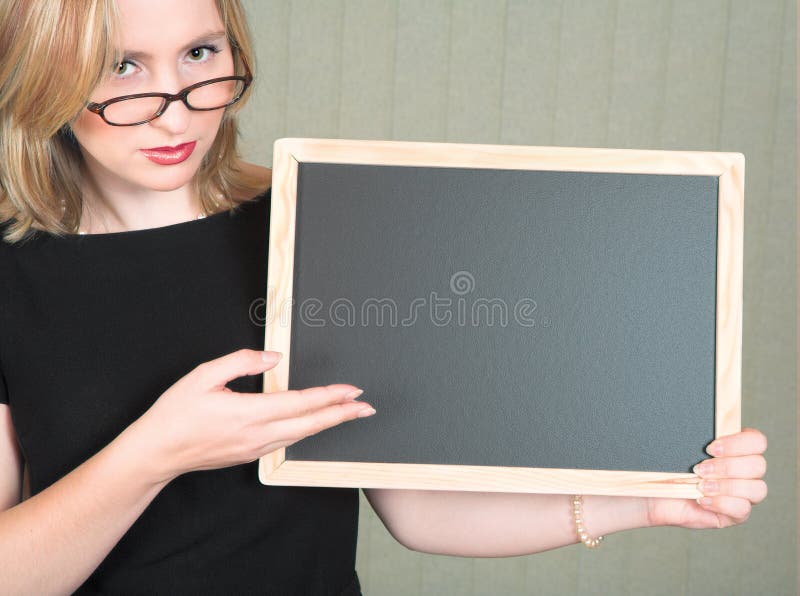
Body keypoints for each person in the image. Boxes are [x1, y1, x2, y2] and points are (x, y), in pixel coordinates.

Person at [0, 0, 768, 594]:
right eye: (122, 67)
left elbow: (418, 510)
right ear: (46, 75)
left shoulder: (319, 222)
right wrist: (156, 452)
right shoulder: (12, 280)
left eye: (200, 53)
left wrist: (646, 503)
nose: (177, 105)